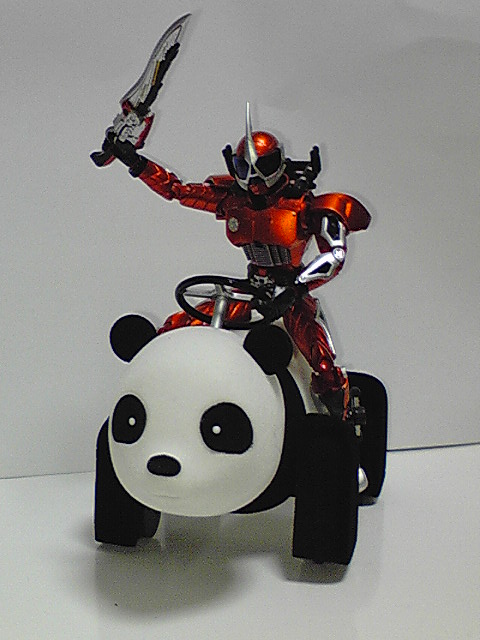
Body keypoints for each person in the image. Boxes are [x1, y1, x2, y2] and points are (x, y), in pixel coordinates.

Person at [101, 103, 371, 418]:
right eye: (244, 168)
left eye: (264, 166)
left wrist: (295, 289)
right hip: (250, 289)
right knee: (175, 328)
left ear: (280, 164)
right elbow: (177, 190)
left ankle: (342, 419)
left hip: (291, 295)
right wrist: (135, 162)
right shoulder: (232, 199)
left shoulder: (304, 205)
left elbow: (335, 255)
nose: (255, 178)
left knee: (324, 366)